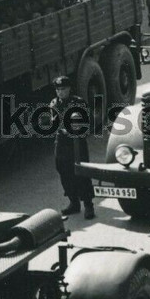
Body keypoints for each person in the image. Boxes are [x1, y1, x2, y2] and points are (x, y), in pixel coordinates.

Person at [49, 75, 95, 219]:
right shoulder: (54, 103)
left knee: (81, 171)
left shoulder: (78, 103)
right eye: (58, 89)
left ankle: (88, 205)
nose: (60, 92)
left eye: (63, 89)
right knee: (63, 170)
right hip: (61, 140)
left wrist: (77, 129)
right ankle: (73, 202)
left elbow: (89, 123)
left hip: (76, 141)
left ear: (69, 89)